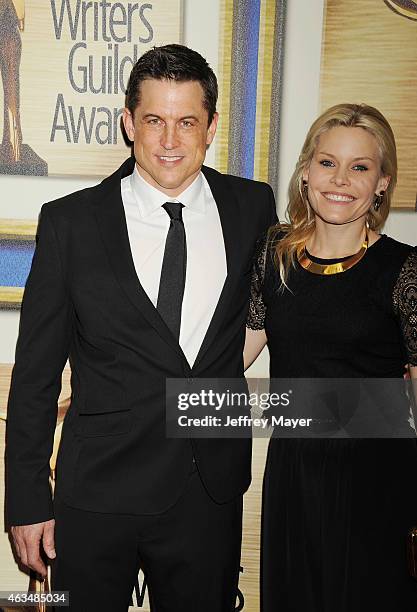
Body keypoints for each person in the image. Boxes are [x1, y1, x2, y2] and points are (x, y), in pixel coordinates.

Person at [6, 44, 277, 611]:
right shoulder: (71, 223)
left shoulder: (253, 209)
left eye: (187, 122)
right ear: (130, 123)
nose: (170, 140)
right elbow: (35, 373)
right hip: (99, 490)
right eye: (154, 120)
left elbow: (280, 315)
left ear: (211, 127)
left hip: (211, 488)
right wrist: (27, 500)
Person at [244, 103, 417, 611]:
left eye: (360, 167)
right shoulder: (273, 255)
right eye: (327, 162)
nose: (340, 179)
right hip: (295, 468)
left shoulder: (404, 270)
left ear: (382, 183)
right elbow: (235, 355)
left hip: (378, 476)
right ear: (305, 171)